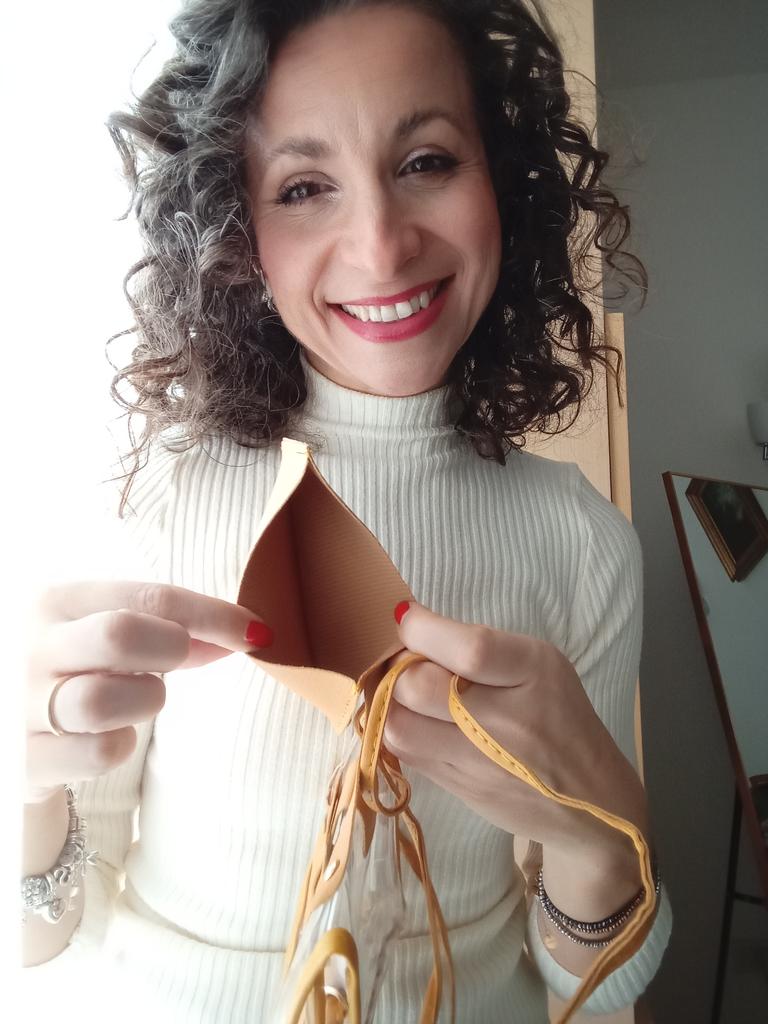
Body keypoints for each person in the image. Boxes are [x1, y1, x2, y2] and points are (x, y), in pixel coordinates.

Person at [21, 1, 673, 1021]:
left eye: (427, 162)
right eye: (303, 187)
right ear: (239, 231)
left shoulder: (582, 543)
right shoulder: (152, 496)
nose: (380, 246)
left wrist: (600, 838)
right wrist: (21, 784)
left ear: (504, 178)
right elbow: (46, 940)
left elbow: (592, 987)